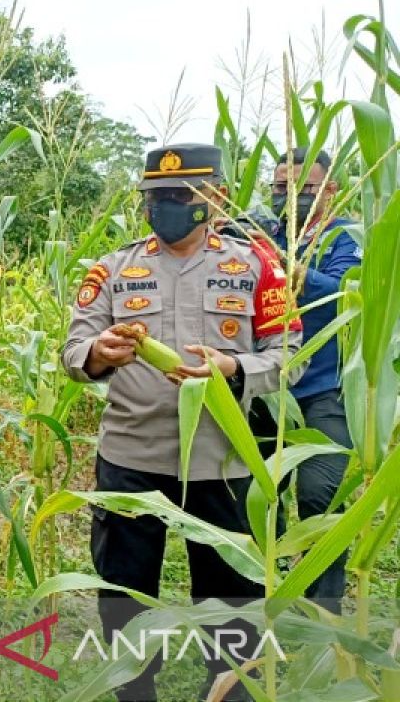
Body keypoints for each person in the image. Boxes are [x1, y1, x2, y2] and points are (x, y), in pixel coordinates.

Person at [60, 144, 305, 702]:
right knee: (124, 594)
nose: (164, 206)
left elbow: (293, 353)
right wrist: (100, 351)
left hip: (222, 458)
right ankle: (132, 689)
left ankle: (229, 691)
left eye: (179, 196)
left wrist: (234, 368)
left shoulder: (258, 269)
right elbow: (75, 352)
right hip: (131, 457)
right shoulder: (113, 270)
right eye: (155, 197)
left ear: (212, 199)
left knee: (232, 598)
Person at [258, 146, 359, 612]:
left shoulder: (346, 237)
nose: (287, 195)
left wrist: (282, 262)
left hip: (324, 387)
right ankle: (268, 592)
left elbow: (345, 295)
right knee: (257, 495)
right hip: (268, 384)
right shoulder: (264, 232)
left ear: (331, 189)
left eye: (301, 188)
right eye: (280, 186)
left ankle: (325, 609)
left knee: (321, 495)